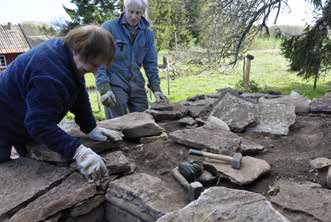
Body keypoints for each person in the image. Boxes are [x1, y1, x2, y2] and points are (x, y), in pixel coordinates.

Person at [0, 25, 123, 182]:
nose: (95, 70)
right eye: (94, 65)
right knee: (4, 172)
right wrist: (79, 152)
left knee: (29, 163)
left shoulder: (67, 52)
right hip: (3, 119)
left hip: (20, 114)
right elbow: (38, 124)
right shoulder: (50, 74)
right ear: (79, 52)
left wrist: (90, 127)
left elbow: (78, 92)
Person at [94, 0, 168, 119]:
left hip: (136, 82)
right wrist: (104, 88)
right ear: (124, 9)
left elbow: (151, 64)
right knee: (118, 121)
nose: (134, 16)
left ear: (143, 12)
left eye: (138, 13)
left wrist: (156, 89)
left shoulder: (148, 34)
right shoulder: (109, 28)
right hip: (114, 82)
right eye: (131, 12)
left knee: (144, 119)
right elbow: (98, 60)